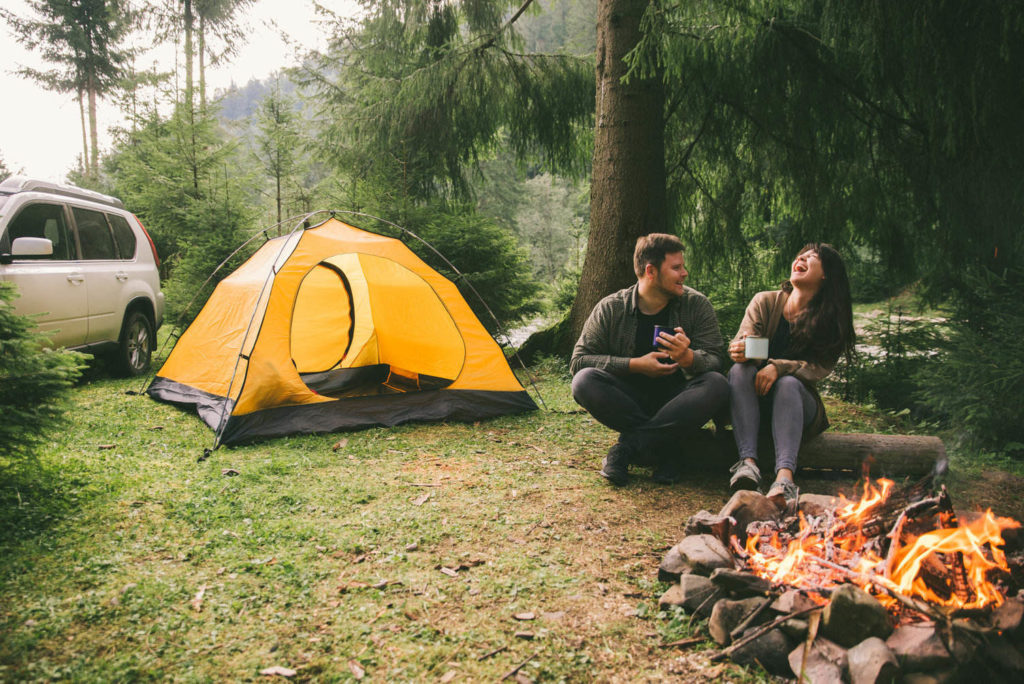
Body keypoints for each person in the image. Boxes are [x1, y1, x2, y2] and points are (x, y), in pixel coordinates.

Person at [570, 233, 728, 485]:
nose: (684, 273)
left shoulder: (696, 305)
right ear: (651, 271)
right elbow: (578, 361)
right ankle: (667, 448)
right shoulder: (611, 308)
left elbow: (716, 359)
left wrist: (689, 358)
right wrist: (635, 365)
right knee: (583, 380)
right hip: (629, 400)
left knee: (716, 383)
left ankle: (628, 448)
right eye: (676, 268)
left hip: (679, 401)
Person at [726, 243, 855, 511]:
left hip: (797, 405)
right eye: (801, 253)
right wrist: (741, 349)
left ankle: (785, 478)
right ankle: (747, 465)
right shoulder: (765, 301)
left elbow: (818, 369)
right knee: (739, 370)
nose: (802, 257)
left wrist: (778, 367)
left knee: (787, 383)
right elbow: (748, 342)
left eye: (812, 257)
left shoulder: (829, 319)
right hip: (754, 401)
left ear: (826, 275)